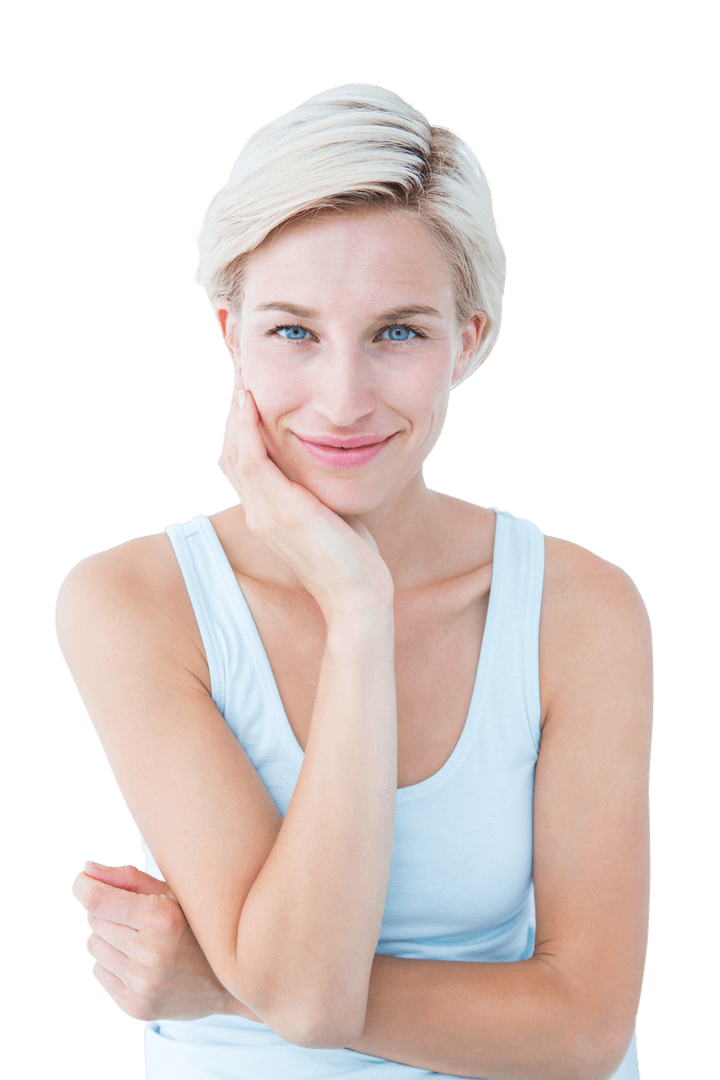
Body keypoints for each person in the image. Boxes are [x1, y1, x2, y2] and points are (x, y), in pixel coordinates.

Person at [56, 83, 652, 1080]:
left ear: (468, 340)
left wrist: (224, 980)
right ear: (228, 334)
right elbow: (306, 993)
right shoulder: (134, 602)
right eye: (292, 331)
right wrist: (357, 604)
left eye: (399, 333)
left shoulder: (581, 609)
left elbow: (583, 1032)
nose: (343, 400)